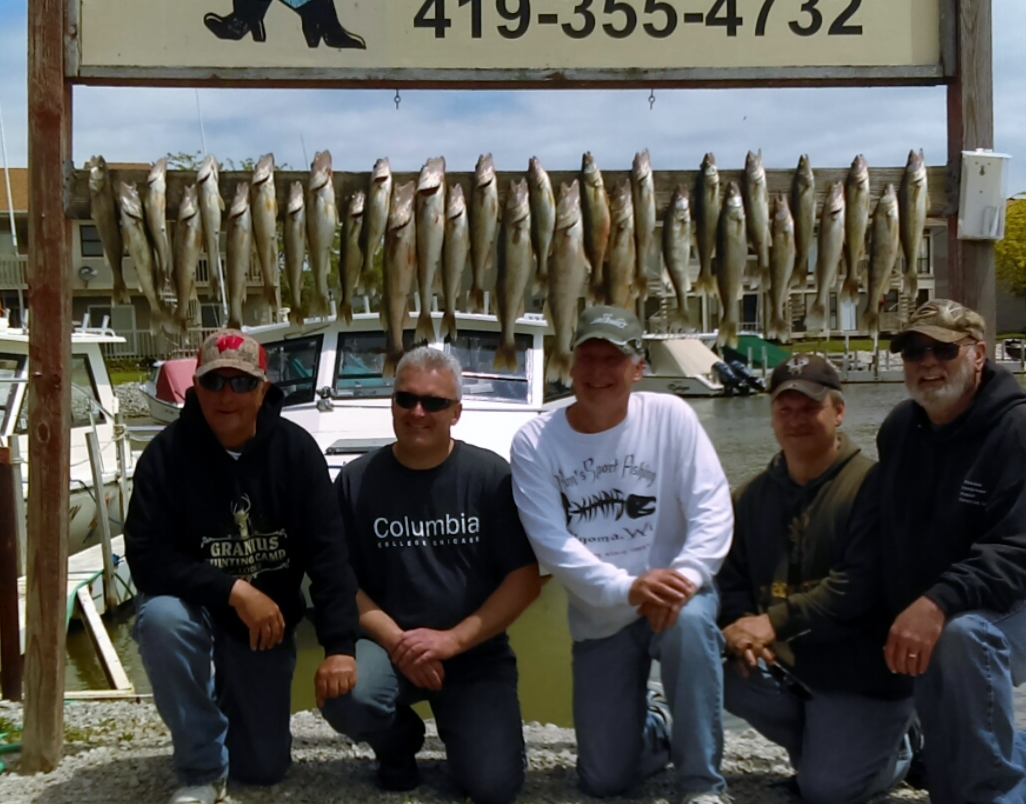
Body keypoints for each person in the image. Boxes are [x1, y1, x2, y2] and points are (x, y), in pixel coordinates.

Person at [511, 305, 733, 804]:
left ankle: (702, 785)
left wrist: (686, 575)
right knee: (604, 780)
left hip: (677, 597)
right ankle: (655, 722)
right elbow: (552, 543)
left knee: (692, 626)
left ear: (638, 368)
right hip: (601, 612)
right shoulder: (534, 440)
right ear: (569, 364)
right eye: (586, 357)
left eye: (612, 359)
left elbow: (713, 509)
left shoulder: (672, 415)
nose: (596, 372)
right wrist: (627, 587)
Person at [125, 330, 359, 804]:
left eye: (240, 383)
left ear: (262, 391)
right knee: (161, 621)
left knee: (263, 770)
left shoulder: (296, 452)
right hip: (197, 609)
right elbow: (146, 557)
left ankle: (225, 703)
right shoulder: (164, 456)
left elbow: (329, 554)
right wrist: (235, 590)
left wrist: (340, 645)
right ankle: (202, 767)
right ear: (195, 389)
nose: (226, 396)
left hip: (265, 627)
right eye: (214, 383)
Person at [321, 345, 541, 804]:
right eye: (406, 399)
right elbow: (341, 581)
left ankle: (472, 731)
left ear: (456, 412)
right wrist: (401, 645)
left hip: (475, 651)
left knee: (494, 788)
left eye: (435, 403)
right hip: (390, 645)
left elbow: (523, 578)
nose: (418, 411)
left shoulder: (489, 477)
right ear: (392, 403)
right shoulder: (357, 481)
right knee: (346, 694)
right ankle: (398, 742)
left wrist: (450, 642)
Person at [718, 354, 914, 804]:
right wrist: (736, 625)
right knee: (697, 657)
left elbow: (858, 586)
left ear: (838, 411)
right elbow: (730, 581)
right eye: (784, 409)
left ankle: (902, 746)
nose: (796, 419)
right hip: (786, 667)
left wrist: (770, 624)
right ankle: (834, 744)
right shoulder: (748, 498)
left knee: (826, 791)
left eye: (809, 407)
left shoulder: (874, 487)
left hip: (859, 674)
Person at [876, 298, 1026, 804]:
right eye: (914, 351)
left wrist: (935, 602)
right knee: (943, 770)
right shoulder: (899, 430)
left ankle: (998, 795)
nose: (927, 363)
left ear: (978, 355)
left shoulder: (1017, 429)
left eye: (943, 349)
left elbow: (1018, 551)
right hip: (954, 599)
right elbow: (891, 538)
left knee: (965, 636)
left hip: (1011, 601)